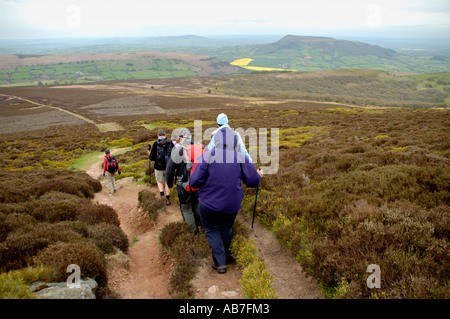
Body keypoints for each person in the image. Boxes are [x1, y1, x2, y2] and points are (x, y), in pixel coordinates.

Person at [190, 126, 263, 274]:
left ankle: (220, 263)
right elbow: (253, 181)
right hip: (232, 204)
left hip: (209, 204)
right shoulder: (241, 157)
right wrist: (259, 174)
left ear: (216, 140)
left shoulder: (207, 156)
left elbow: (194, 182)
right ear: (234, 141)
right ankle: (225, 256)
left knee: (212, 229)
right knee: (225, 228)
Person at [165, 128, 203, 234]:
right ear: (190, 136)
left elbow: (169, 170)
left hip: (183, 185)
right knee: (196, 203)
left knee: (186, 207)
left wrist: (169, 184)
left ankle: (193, 231)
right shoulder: (200, 148)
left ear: (181, 138)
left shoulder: (177, 151)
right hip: (198, 184)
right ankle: (202, 225)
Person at [149, 129, 173, 205]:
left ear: (158, 135)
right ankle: (167, 197)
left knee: (159, 181)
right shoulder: (170, 143)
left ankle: (162, 195)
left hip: (158, 167)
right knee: (167, 181)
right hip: (168, 167)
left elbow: (152, 158)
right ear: (165, 135)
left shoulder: (155, 144)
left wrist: (149, 154)